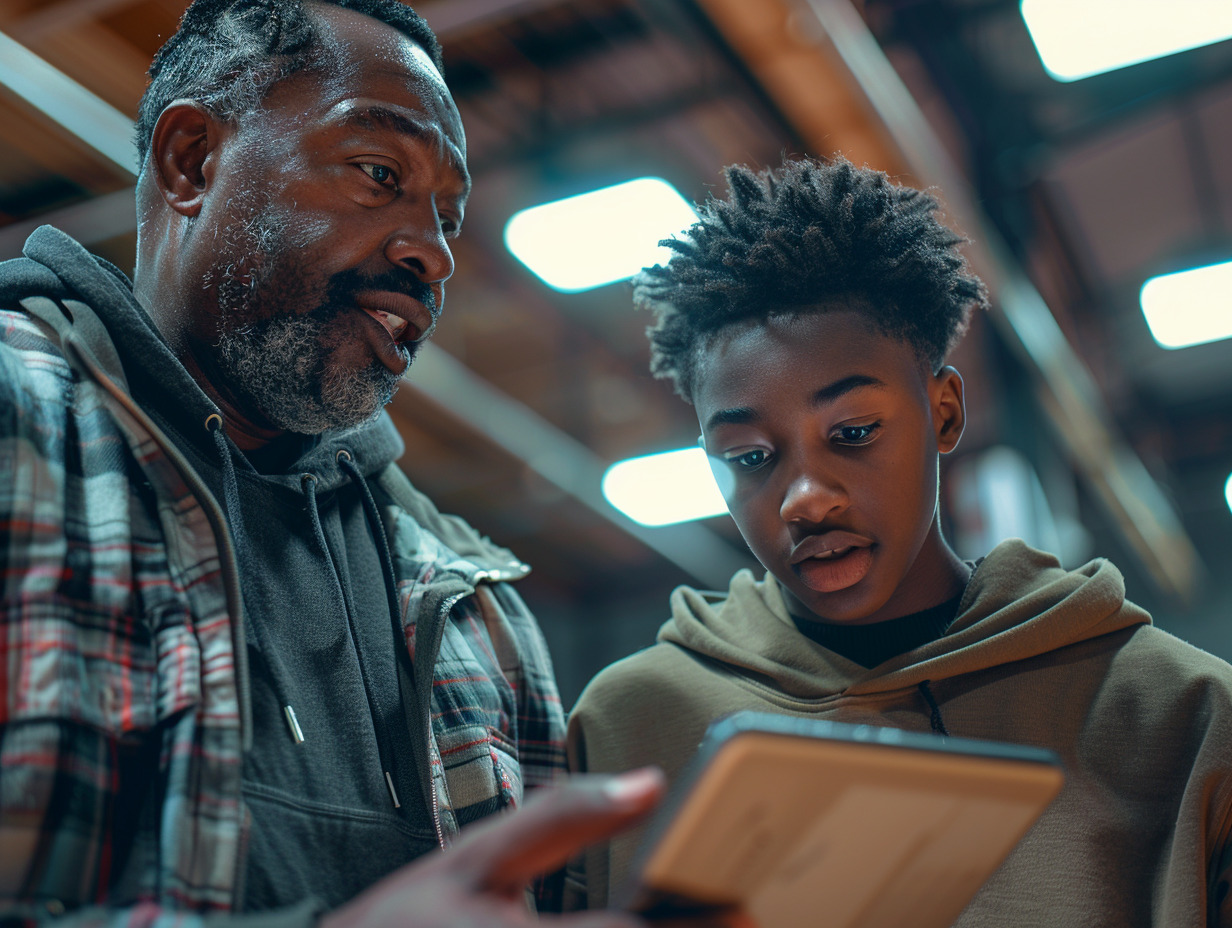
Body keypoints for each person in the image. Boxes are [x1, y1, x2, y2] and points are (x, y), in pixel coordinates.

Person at [0, 1, 665, 925]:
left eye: (446, 216)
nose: (432, 253)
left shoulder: (478, 604)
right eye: (378, 173)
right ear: (192, 160)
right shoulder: (18, 429)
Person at [565, 155, 1232, 924]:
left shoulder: (1178, 713)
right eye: (750, 458)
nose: (805, 500)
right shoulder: (628, 722)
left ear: (944, 412)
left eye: (852, 433)